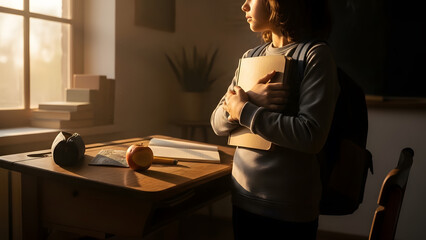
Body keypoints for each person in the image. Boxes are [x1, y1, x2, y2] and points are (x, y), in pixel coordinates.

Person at [210, 0, 340, 239]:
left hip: (289, 209)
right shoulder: (251, 57)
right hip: (243, 197)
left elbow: (310, 136)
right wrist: (248, 100)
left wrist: (244, 110)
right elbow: (217, 122)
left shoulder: (315, 55)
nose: (244, 6)